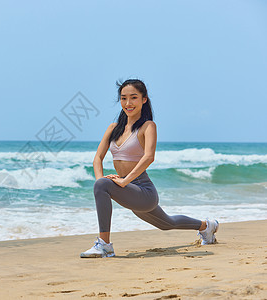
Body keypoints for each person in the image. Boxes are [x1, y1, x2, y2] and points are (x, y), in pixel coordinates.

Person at [80, 79, 219, 258]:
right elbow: (97, 158)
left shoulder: (148, 126)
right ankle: (207, 226)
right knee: (167, 223)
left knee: (102, 186)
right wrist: (102, 179)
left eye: (133, 97)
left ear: (144, 99)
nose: (128, 103)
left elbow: (149, 157)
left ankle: (105, 245)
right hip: (129, 190)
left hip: (143, 191)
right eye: (123, 98)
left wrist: (124, 180)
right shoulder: (113, 128)